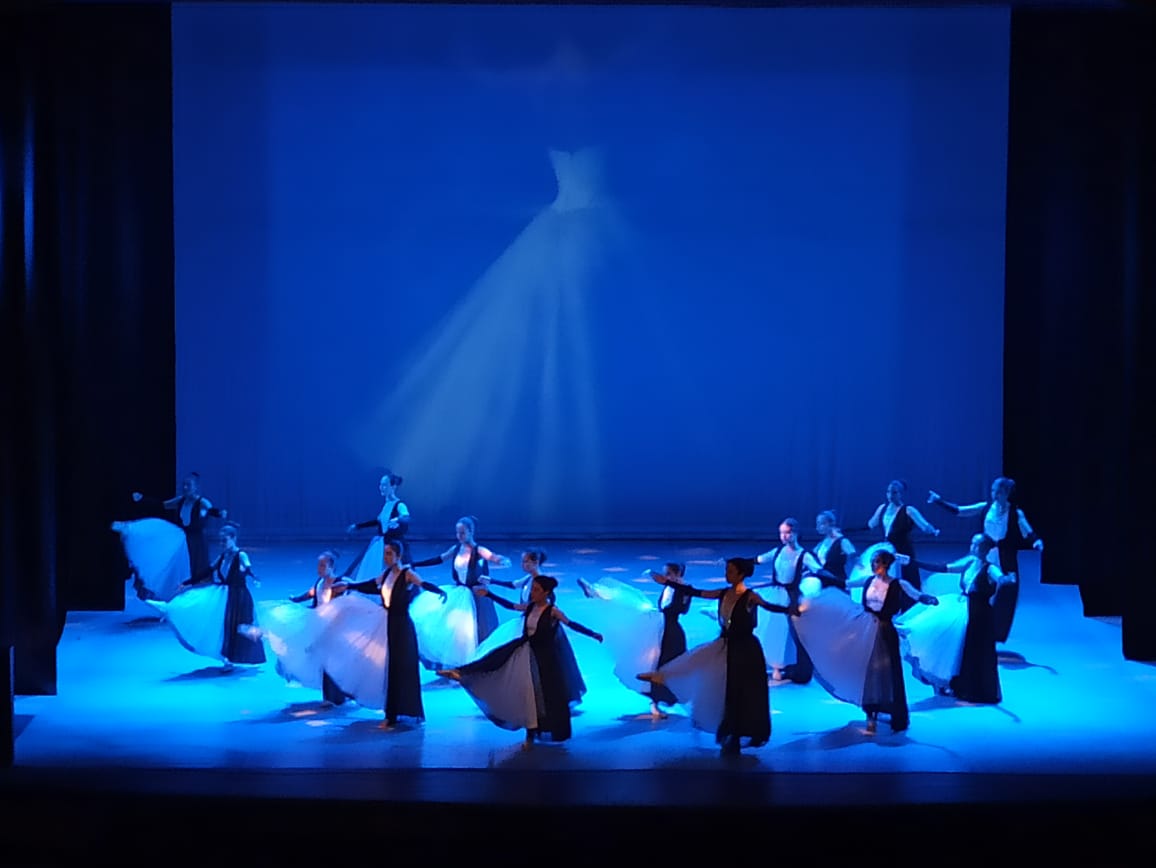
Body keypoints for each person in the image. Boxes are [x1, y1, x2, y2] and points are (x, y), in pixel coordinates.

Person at [637, 557, 798, 756]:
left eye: (730, 571)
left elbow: (770, 606)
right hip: (726, 644)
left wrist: (790, 610)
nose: (726, 574)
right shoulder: (722, 593)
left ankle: (738, 732)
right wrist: (668, 583)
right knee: (703, 665)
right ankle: (664, 676)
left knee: (742, 691)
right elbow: (696, 592)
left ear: (741, 574)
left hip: (745, 649)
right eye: (726, 570)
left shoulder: (750, 596)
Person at [437, 575, 603, 750]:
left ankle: (535, 733)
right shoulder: (530, 607)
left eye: (536, 590)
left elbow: (571, 624)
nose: (532, 593)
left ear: (546, 593)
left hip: (544, 659)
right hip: (524, 650)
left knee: (541, 696)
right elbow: (510, 606)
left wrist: (593, 634)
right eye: (532, 589)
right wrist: (489, 595)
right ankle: (461, 672)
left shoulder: (552, 611)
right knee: (497, 660)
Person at [796, 548, 939, 734]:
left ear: (886, 564)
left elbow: (915, 594)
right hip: (865, 628)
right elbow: (844, 583)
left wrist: (927, 598)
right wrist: (820, 575)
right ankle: (870, 714)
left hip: (885, 632)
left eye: (878, 562)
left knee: (887, 672)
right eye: (873, 562)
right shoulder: (867, 581)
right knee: (868, 671)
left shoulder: (898, 584)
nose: (874, 565)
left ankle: (891, 711)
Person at [324, 540, 447, 729]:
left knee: (399, 669)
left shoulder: (407, 573)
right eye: (385, 553)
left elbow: (423, 583)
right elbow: (371, 585)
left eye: (389, 553)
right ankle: (390, 713)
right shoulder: (387, 573)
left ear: (398, 555)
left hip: (401, 627)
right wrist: (349, 586)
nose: (385, 557)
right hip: (387, 622)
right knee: (387, 668)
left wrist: (439, 591)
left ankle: (394, 715)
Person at [927, 476, 1043, 642]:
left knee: (1005, 592)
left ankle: (996, 631)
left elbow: (1028, 531)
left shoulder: (1015, 513)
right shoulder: (986, 507)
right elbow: (960, 511)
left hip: (1004, 557)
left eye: (999, 492)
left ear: (1007, 493)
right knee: (978, 588)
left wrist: (1036, 541)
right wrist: (939, 501)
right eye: (993, 491)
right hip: (985, 554)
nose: (995, 495)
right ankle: (974, 625)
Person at [904, 534, 1016, 704]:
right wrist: (913, 562)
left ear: (985, 548)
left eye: (977, 545)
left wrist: (1008, 579)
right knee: (956, 646)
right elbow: (944, 568)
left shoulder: (990, 568)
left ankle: (976, 689)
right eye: (972, 543)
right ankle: (956, 684)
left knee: (975, 650)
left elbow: (1001, 578)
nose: (973, 547)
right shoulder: (969, 562)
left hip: (980, 614)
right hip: (963, 606)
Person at [578, 562, 693, 718]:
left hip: (671, 631)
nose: (665, 577)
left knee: (668, 663)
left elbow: (683, 610)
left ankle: (667, 696)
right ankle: (597, 593)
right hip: (661, 626)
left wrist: (679, 592)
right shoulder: (668, 587)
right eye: (665, 574)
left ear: (677, 574)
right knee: (636, 608)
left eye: (668, 574)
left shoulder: (684, 589)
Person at [147, 522, 265, 670]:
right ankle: (168, 608)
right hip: (223, 595)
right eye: (220, 540)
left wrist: (251, 575)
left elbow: (247, 567)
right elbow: (207, 571)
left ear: (233, 538)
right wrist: (187, 583)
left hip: (238, 597)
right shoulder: (222, 556)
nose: (222, 543)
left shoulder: (241, 554)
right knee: (216, 622)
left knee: (238, 627)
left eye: (225, 540)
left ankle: (235, 655)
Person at [243, 550, 351, 706]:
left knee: (330, 663)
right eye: (318, 565)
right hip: (318, 625)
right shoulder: (320, 582)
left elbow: (345, 605)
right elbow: (311, 594)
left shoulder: (339, 584)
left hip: (333, 629)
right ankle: (331, 695)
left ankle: (334, 697)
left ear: (331, 567)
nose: (319, 569)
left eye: (322, 565)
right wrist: (296, 600)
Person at [479, 550, 586, 706]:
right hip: (527, 622)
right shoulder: (530, 579)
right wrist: (491, 581)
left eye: (526, 561)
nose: (523, 565)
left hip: (537, 628)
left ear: (535, 563)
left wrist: (490, 594)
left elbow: (520, 606)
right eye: (523, 561)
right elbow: (514, 584)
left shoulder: (541, 584)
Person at [408, 516, 512, 670]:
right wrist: (415, 564)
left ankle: (479, 663)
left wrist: (502, 560)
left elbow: (493, 557)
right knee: (455, 630)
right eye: (458, 533)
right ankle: (458, 663)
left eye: (463, 533)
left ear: (471, 532)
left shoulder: (479, 550)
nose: (459, 536)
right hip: (459, 593)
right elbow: (439, 559)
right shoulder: (456, 549)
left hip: (476, 595)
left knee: (478, 629)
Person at [751, 518, 830, 683]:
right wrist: (736, 562)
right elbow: (759, 559)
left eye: (787, 532)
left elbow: (819, 570)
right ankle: (772, 664)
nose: (784, 536)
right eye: (781, 533)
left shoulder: (803, 555)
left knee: (788, 633)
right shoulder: (778, 551)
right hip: (775, 595)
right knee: (771, 629)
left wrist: (838, 582)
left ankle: (788, 666)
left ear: (795, 533)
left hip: (791, 598)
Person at [131, 472, 227, 582]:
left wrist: (219, 513)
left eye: (188, 485)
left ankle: (198, 585)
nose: (185, 487)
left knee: (197, 564)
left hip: (197, 540)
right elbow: (162, 505)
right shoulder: (180, 500)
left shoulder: (201, 502)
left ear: (195, 487)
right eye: (184, 485)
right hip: (183, 538)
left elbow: (211, 510)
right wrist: (143, 499)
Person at [867, 479, 940, 601]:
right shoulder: (882, 508)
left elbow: (924, 526)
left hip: (903, 551)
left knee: (907, 580)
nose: (890, 495)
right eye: (888, 492)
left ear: (901, 494)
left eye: (894, 492)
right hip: (887, 552)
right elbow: (871, 524)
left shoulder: (909, 510)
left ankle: (910, 606)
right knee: (888, 580)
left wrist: (933, 530)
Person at [342, 470, 411, 582]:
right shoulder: (387, 504)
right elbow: (378, 521)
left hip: (393, 545)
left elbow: (406, 517)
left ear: (393, 487)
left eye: (385, 485)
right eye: (380, 485)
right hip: (381, 543)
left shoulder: (400, 504)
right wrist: (358, 526)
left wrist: (398, 519)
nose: (381, 488)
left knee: (395, 571)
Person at [814, 510, 857, 591]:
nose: (818, 527)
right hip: (823, 584)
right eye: (817, 524)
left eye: (821, 524)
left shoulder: (842, 541)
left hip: (837, 584)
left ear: (830, 524)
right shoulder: (821, 543)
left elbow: (854, 558)